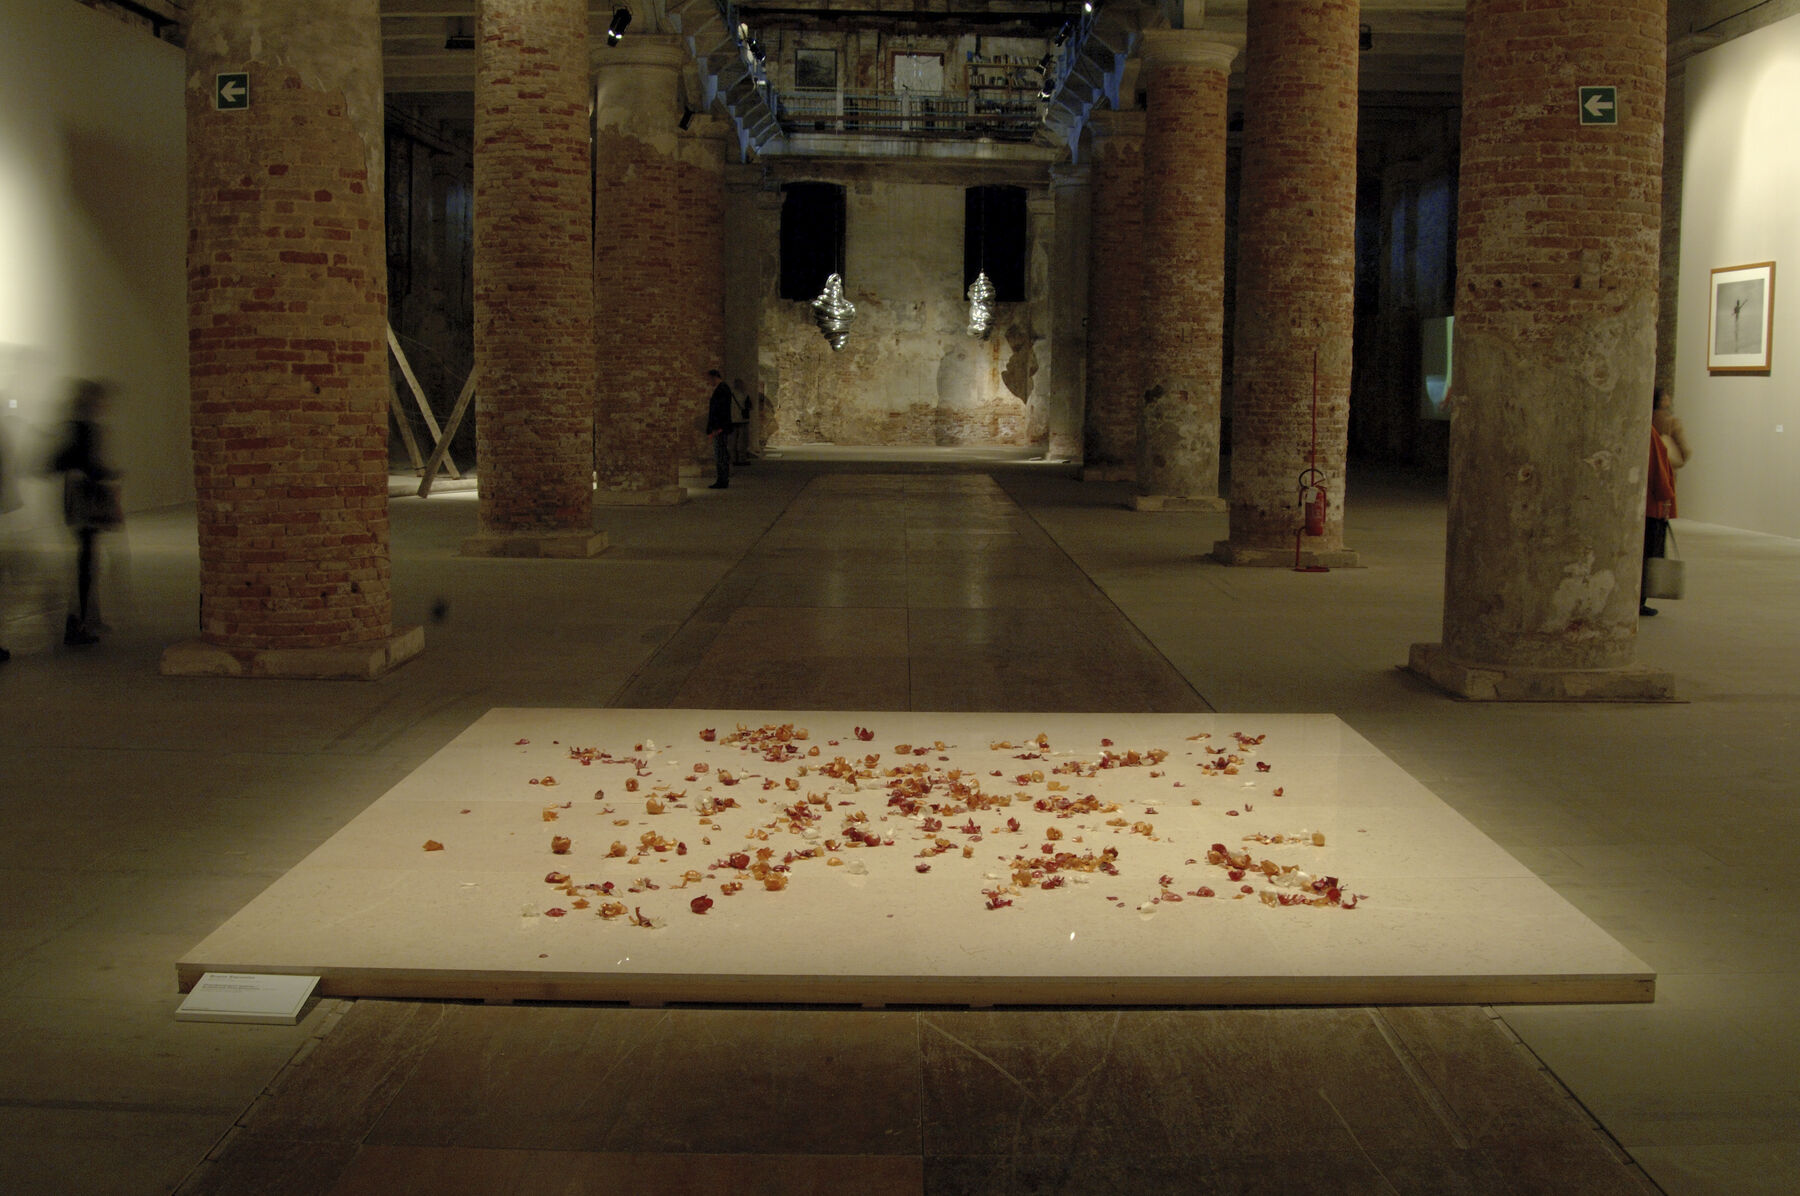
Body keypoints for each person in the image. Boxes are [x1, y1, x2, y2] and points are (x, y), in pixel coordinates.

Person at [52, 379, 120, 645]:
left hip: (79, 500)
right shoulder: (83, 428)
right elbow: (88, 465)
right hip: (83, 502)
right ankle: (77, 622)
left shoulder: (75, 426)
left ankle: (86, 618)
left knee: (88, 561)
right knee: (86, 562)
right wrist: (108, 474)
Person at [1641, 386, 1686, 617]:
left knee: (1646, 552)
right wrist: (1667, 496)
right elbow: (1658, 469)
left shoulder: (1647, 428)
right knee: (1649, 553)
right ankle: (1639, 599)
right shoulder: (1654, 430)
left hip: (1647, 502)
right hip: (1654, 504)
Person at [704, 369, 734, 489]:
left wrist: (716, 427)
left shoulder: (722, 389)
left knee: (720, 453)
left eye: (709, 379)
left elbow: (720, 410)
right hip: (721, 426)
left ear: (714, 377)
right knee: (721, 453)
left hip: (720, 428)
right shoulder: (723, 388)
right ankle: (722, 479)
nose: (709, 381)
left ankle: (722, 480)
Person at [730, 377, 753, 465]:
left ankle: (733, 459)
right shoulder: (744, 395)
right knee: (742, 441)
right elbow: (750, 406)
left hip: (732, 420)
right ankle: (741, 459)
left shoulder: (730, 395)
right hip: (742, 420)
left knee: (733, 440)